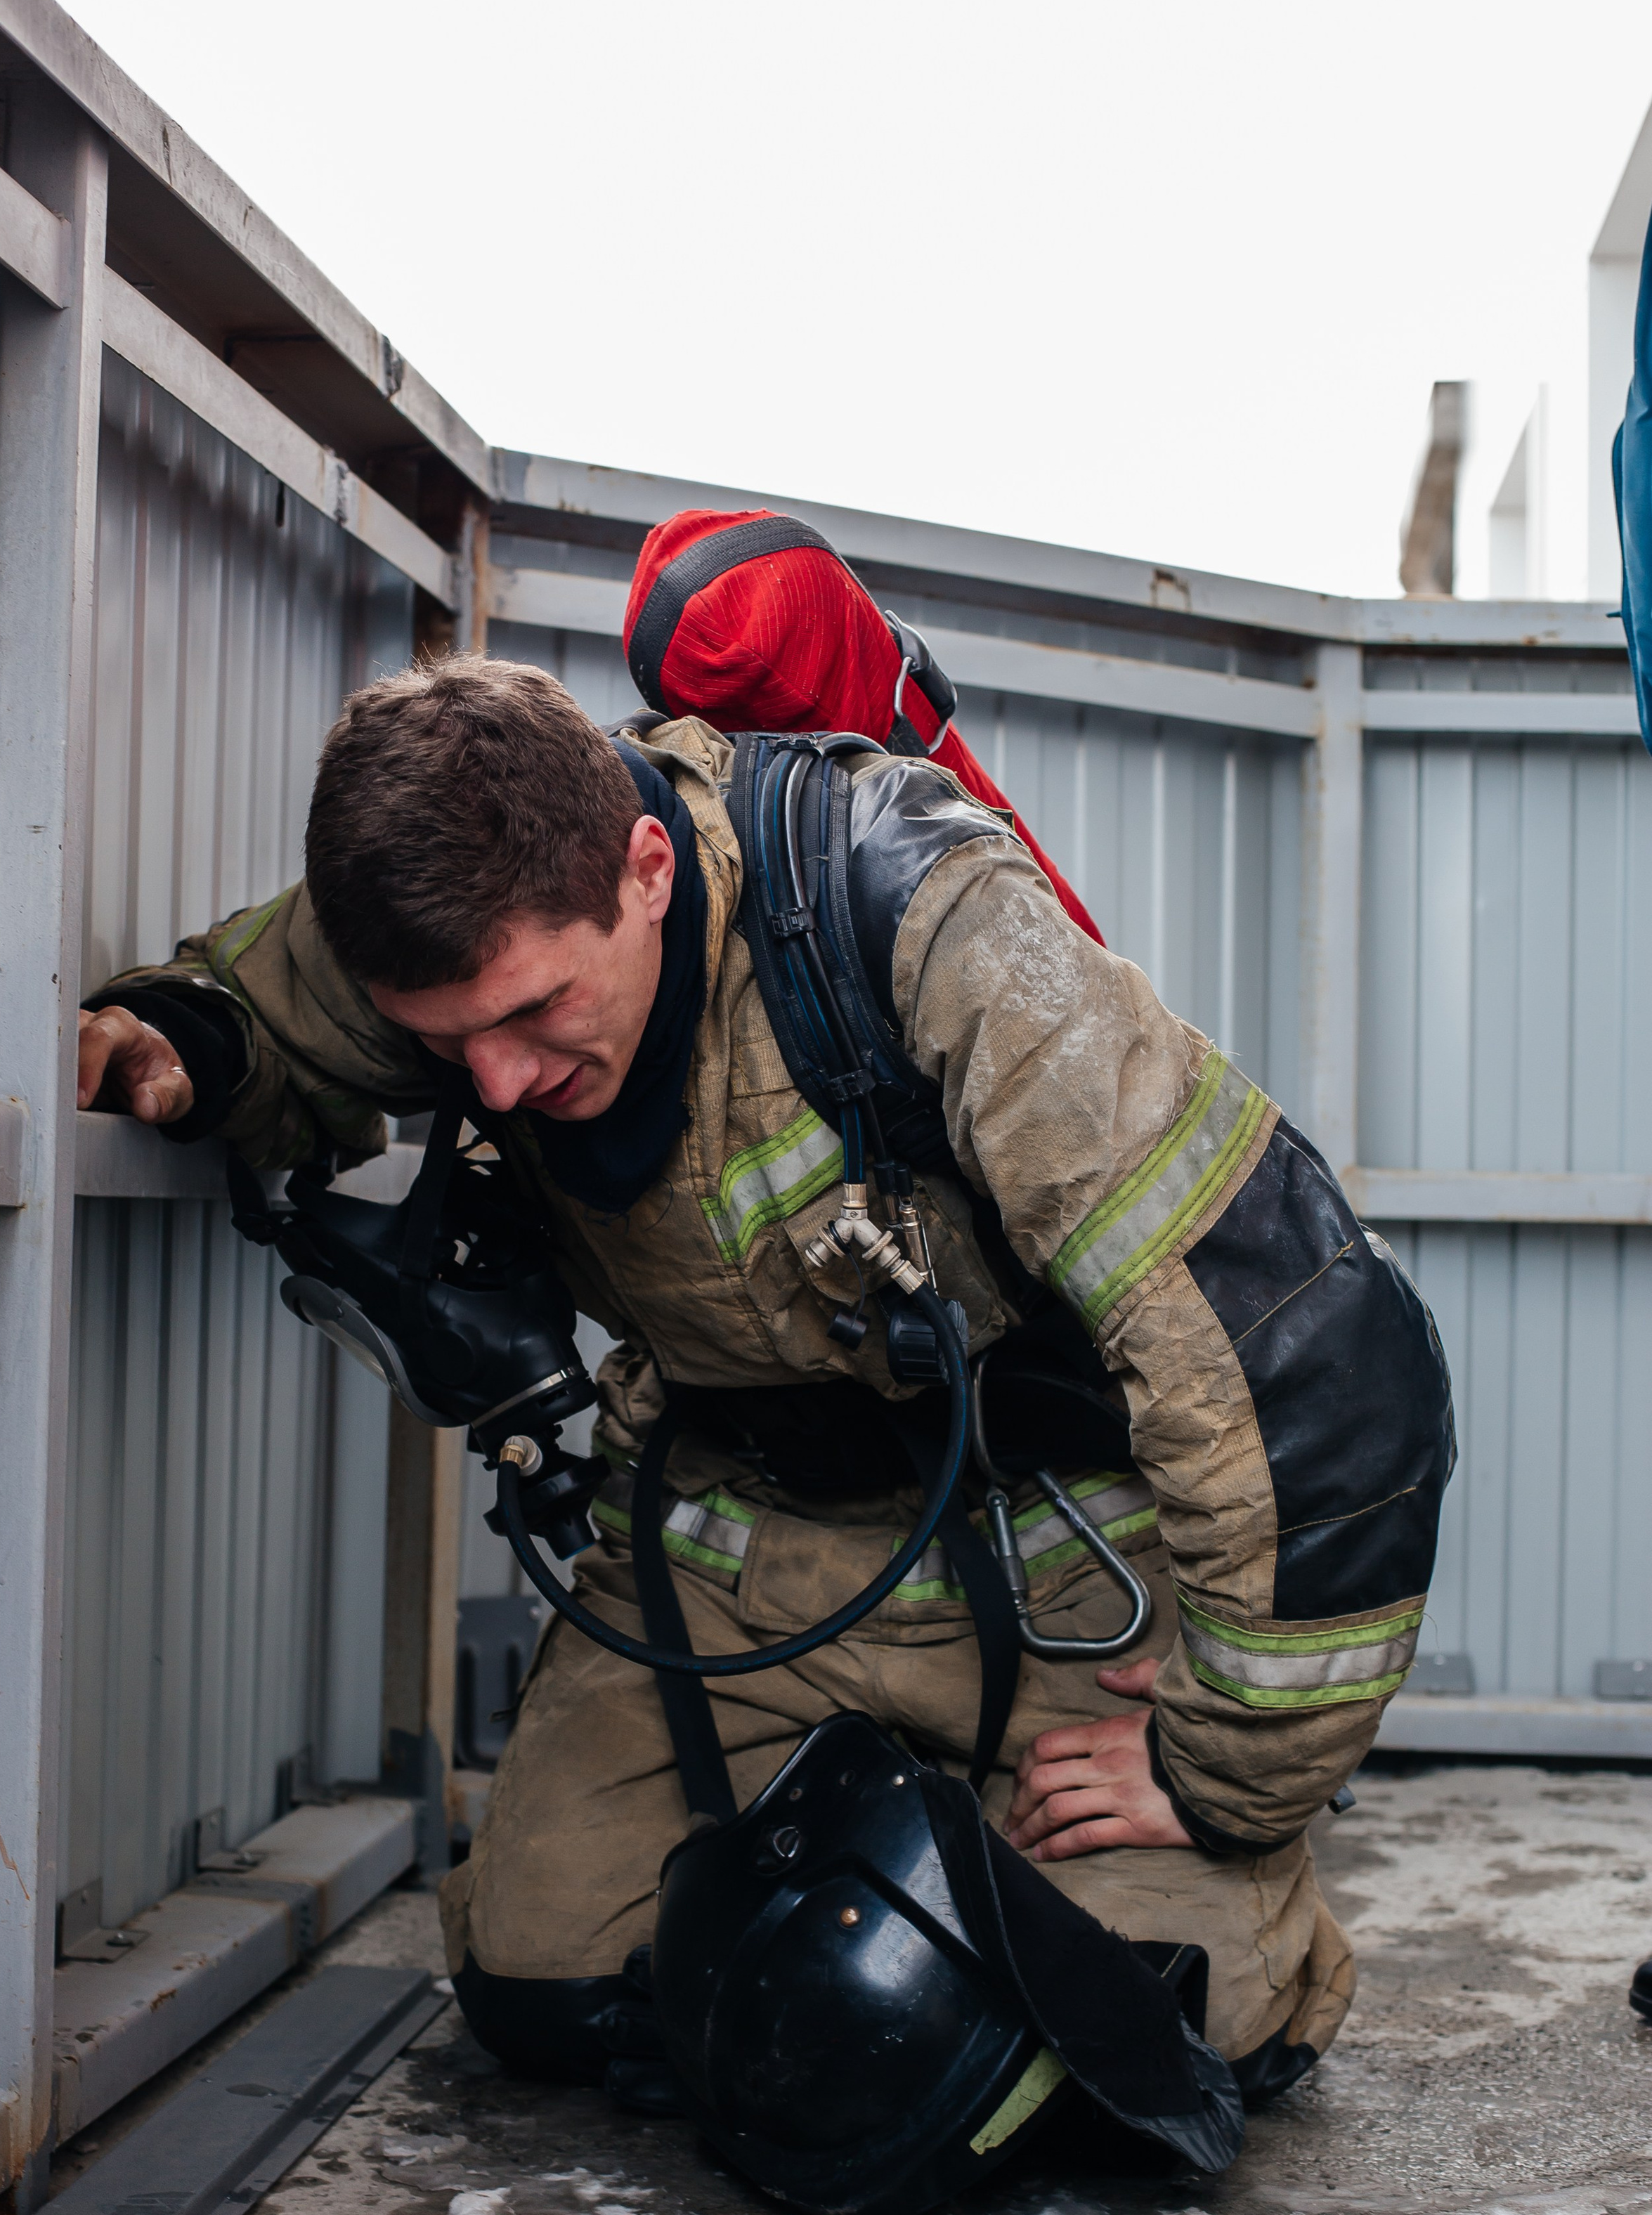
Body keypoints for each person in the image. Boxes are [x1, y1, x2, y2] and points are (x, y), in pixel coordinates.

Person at [79, 648, 1454, 2119]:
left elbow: (1313, 1360)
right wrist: (181, 1041)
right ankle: (907, 1843)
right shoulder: (457, 924)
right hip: (734, 1568)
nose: (491, 1086)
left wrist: (1221, 1771)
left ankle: (1099, 1869)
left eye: (537, 1010)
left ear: (648, 866)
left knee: (1152, 2026)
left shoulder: (925, 921)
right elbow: (278, 1005)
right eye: (443, 1042)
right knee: (538, 1971)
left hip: (1048, 1570)